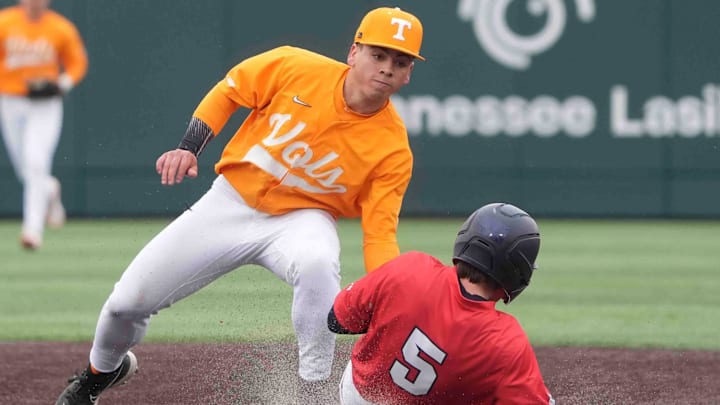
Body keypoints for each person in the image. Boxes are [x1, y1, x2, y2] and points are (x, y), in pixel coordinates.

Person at [55, 6, 424, 405]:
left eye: (399, 61)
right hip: (229, 202)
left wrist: (388, 295)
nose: (386, 67)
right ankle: (96, 379)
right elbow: (231, 89)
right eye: (378, 54)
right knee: (125, 305)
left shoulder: (393, 149)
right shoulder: (295, 66)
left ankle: (313, 390)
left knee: (318, 261)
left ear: (408, 74)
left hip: (303, 219)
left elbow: (380, 234)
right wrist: (188, 147)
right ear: (354, 52)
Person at [328, 202, 556, 405]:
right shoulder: (505, 339)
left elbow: (336, 321)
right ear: (518, 270)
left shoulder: (410, 268)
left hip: (355, 395)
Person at [0, 0, 88, 250]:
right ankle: (49, 189)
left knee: (36, 161)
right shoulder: (5, 22)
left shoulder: (60, 28)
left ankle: (32, 230)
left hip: (45, 104)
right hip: (10, 101)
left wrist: (62, 83)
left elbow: (77, 64)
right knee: (25, 170)